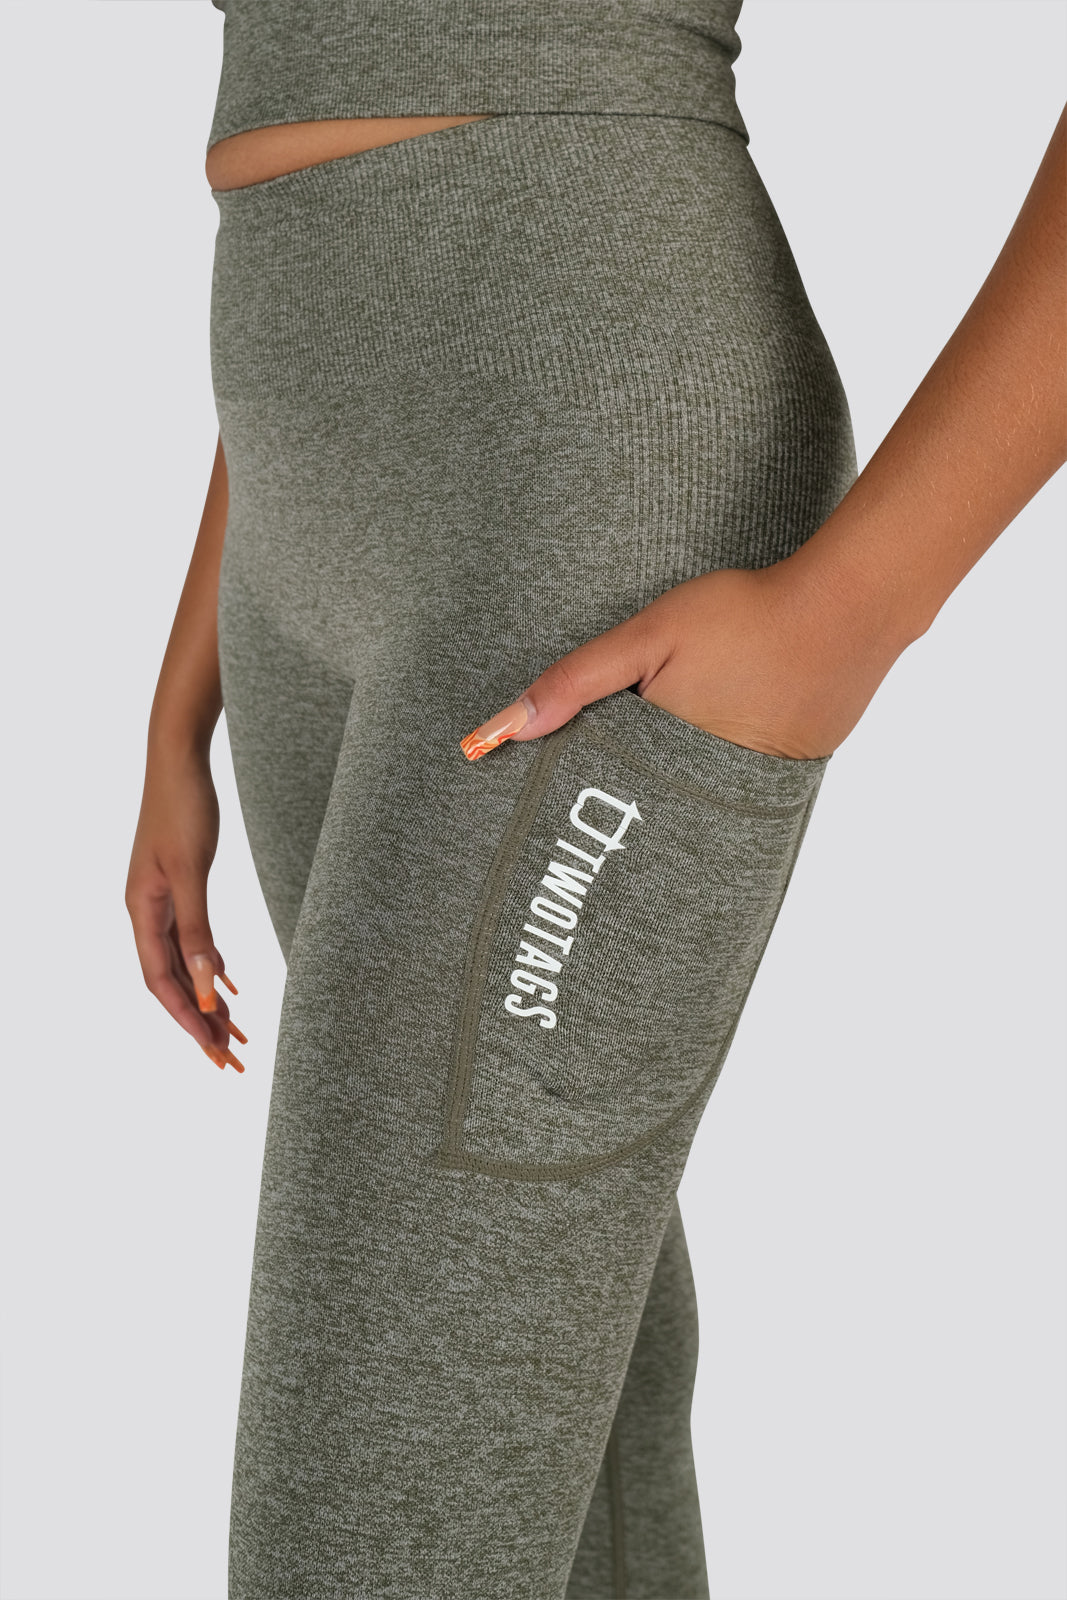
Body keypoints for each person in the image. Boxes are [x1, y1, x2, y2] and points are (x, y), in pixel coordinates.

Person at [124, 0, 1066, 1593]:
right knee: (540, 1414)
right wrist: (186, 683)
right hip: (297, 537)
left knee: (362, 1531)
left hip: (586, 478)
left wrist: (850, 616)